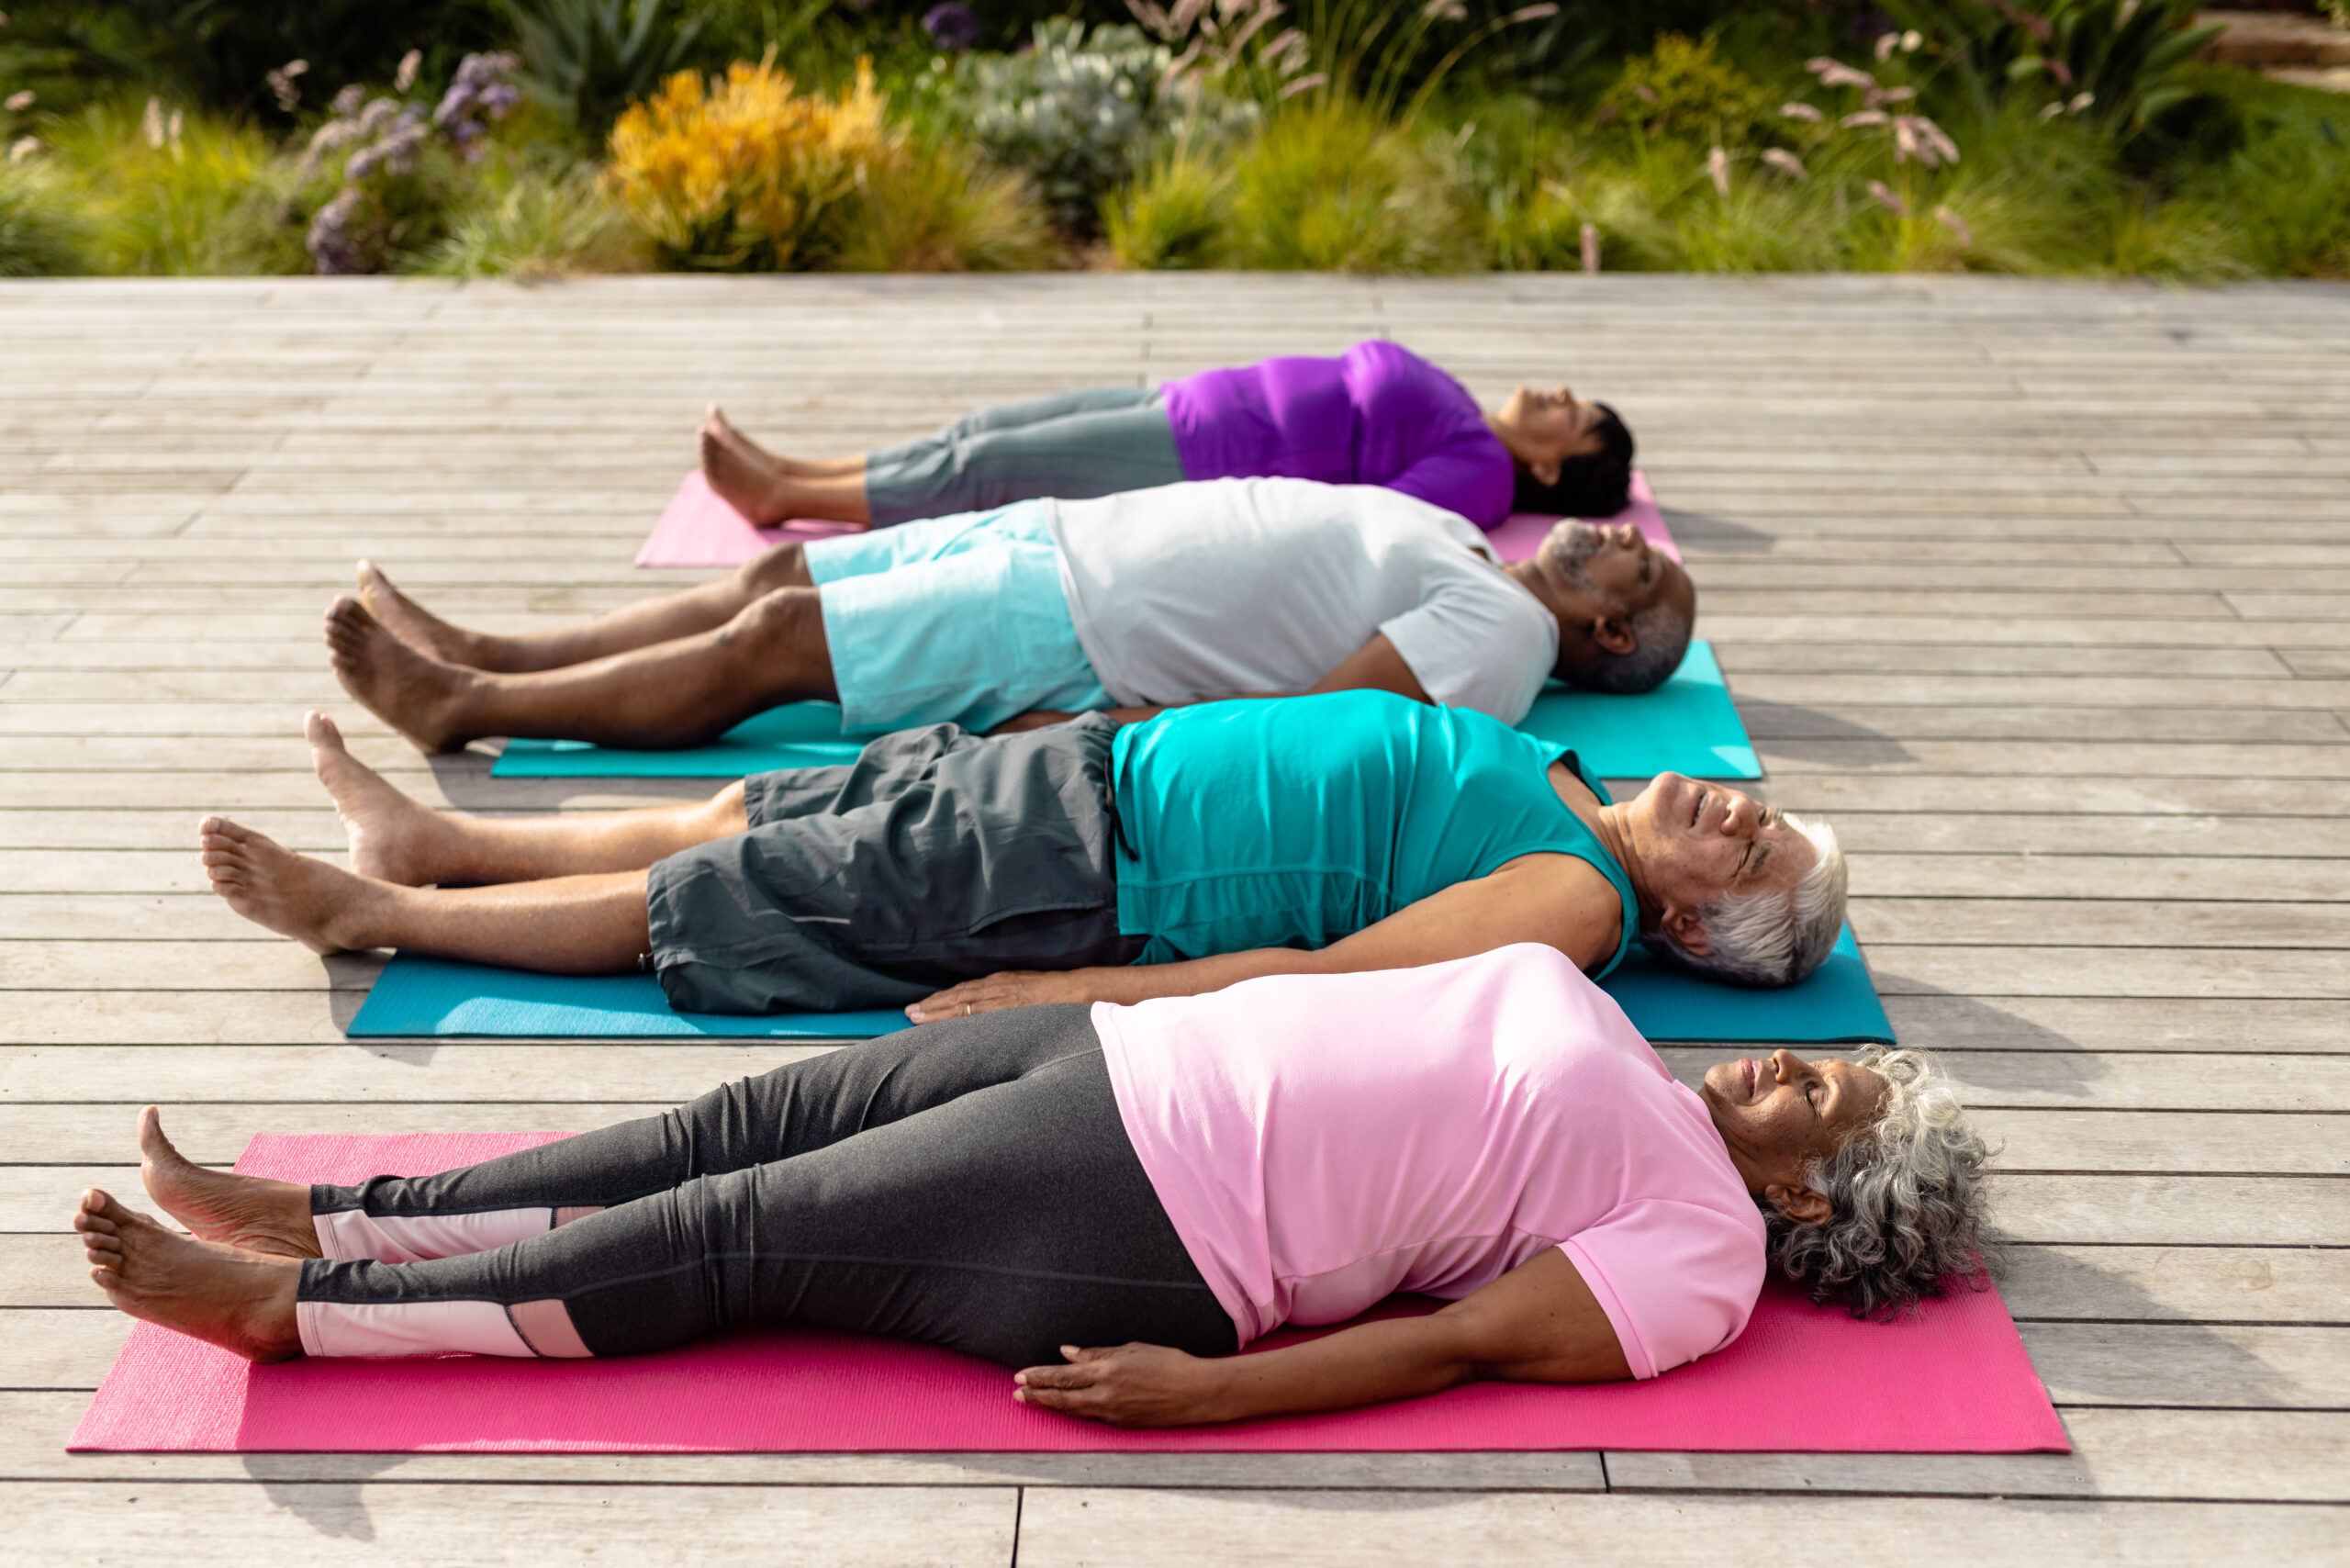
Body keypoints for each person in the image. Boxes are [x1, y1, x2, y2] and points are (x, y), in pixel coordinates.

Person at [72, 946, 1992, 1429]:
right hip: (1110, 1058)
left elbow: (1461, 1345)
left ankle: (294, 1315)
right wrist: (1098, 998)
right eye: (1815, 1052)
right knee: (732, 1125)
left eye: (1821, 1093)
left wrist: (1210, 1393)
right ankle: (343, 1209)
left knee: (735, 1234)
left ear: (1822, 1198)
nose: (1788, 1060)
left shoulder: (1702, 1258)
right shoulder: (1623, 1048)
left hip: (1150, 1210)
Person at [199, 691, 1845, 1023]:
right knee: (751, 813)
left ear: (1697, 936)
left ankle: (381, 905)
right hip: (1094, 768)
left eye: (1748, 844)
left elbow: (1324, 977)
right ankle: (447, 834)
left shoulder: (1577, 899)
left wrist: (1069, 993)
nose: (1730, 804)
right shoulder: (1559, 773)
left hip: (1092, 866)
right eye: (1751, 799)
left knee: (717, 903)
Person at [330, 483, 1695, 757]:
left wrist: (1116, 731)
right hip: (1061, 543)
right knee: (774, 590)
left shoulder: (1507, 638)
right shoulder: (1475, 555)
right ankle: (489, 651)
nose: (1632, 539)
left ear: (1615, 640)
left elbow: (1341, 716)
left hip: (1078, 621)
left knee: (770, 656)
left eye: (1646, 572)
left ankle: (468, 709)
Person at [694, 340, 1637, 533]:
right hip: (1189, 406)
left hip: (1208, 457)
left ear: (1553, 461)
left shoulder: (1481, 475)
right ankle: (794, 467)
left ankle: (785, 498)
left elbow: (1368, 517)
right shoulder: (1468, 415)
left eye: (1572, 413)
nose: (1558, 391)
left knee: (989, 468)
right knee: (984, 433)